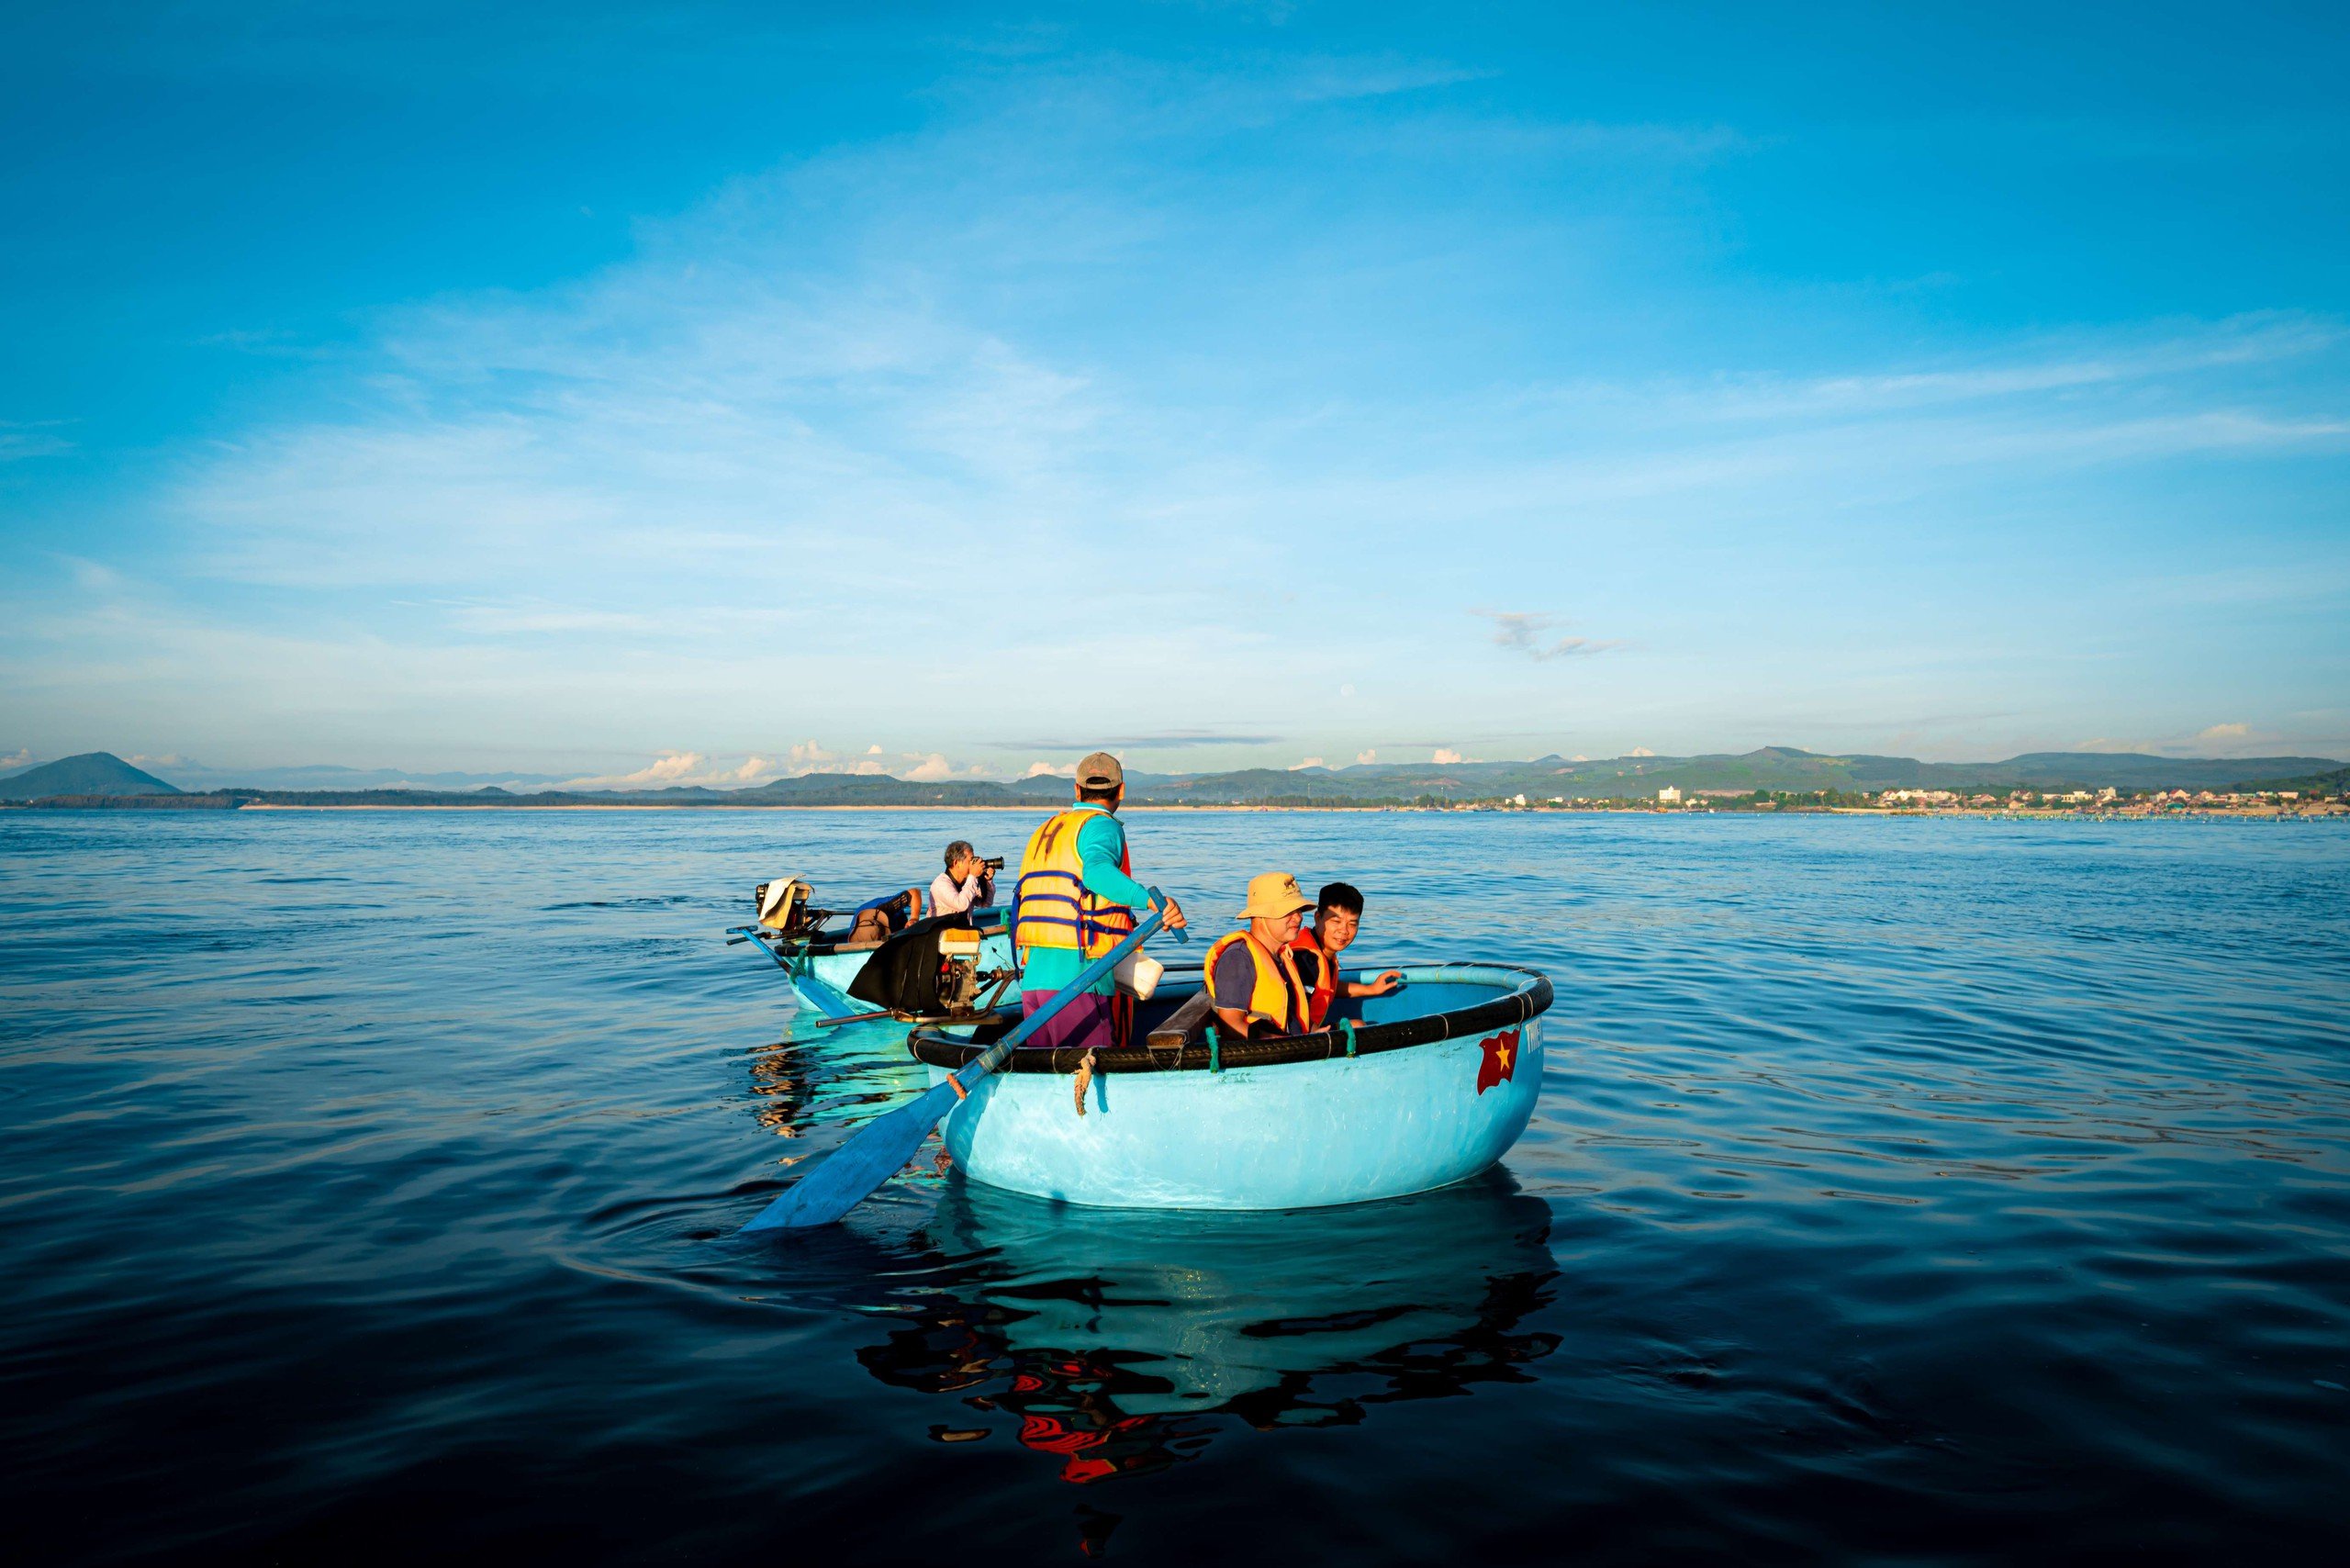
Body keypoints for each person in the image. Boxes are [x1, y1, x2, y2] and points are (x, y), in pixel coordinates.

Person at [1010, 752, 1186, 1052]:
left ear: (1077, 791)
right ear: (1121, 791)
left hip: (1035, 982)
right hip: (1079, 981)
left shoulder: (1047, 829)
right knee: (1089, 1074)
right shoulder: (1102, 826)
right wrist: (1152, 902)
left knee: (1052, 1078)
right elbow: (1096, 872)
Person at [1205, 873, 1315, 1041]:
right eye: (1288, 911)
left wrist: (1317, 1032)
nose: (1299, 917)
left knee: (1356, 1026)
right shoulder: (1238, 958)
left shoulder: (1282, 956)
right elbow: (1230, 1026)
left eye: (1299, 910)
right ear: (1260, 915)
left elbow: (1292, 1014)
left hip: (1294, 1045)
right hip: (1266, 1054)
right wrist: (1283, 1045)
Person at [1287, 881, 1404, 1029]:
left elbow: (1327, 987)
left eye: (1352, 924)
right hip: (1297, 1036)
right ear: (1318, 918)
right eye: (1336, 921)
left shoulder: (1323, 952)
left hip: (1306, 1030)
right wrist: (1317, 1035)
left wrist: (1371, 989)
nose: (1344, 930)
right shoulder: (1306, 959)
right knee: (1358, 1026)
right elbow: (1292, 1011)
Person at [928, 840, 996, 918]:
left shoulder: (967, 882)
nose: (972, 864)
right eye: (970, 861)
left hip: (963, 929)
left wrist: (987, 881)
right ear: (956, 863)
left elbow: (986, 903)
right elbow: (961, 905)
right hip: (943, 929)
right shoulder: (940, 884)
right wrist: (973, 876)